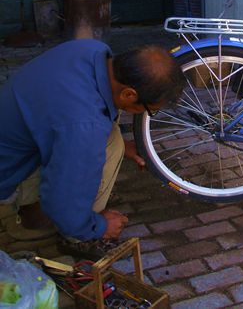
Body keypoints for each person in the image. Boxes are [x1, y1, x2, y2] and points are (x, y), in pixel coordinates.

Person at [0, 39, 185, 258]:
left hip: (20, 132)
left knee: (107, 135)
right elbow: (62, 205)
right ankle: (76, 238)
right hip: (7, 174)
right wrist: (98, 226)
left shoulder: (90, 50)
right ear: (128, 94)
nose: (145, 113)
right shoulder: (85, 126)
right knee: (108, 146)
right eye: (148, 109)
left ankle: (31, 210)